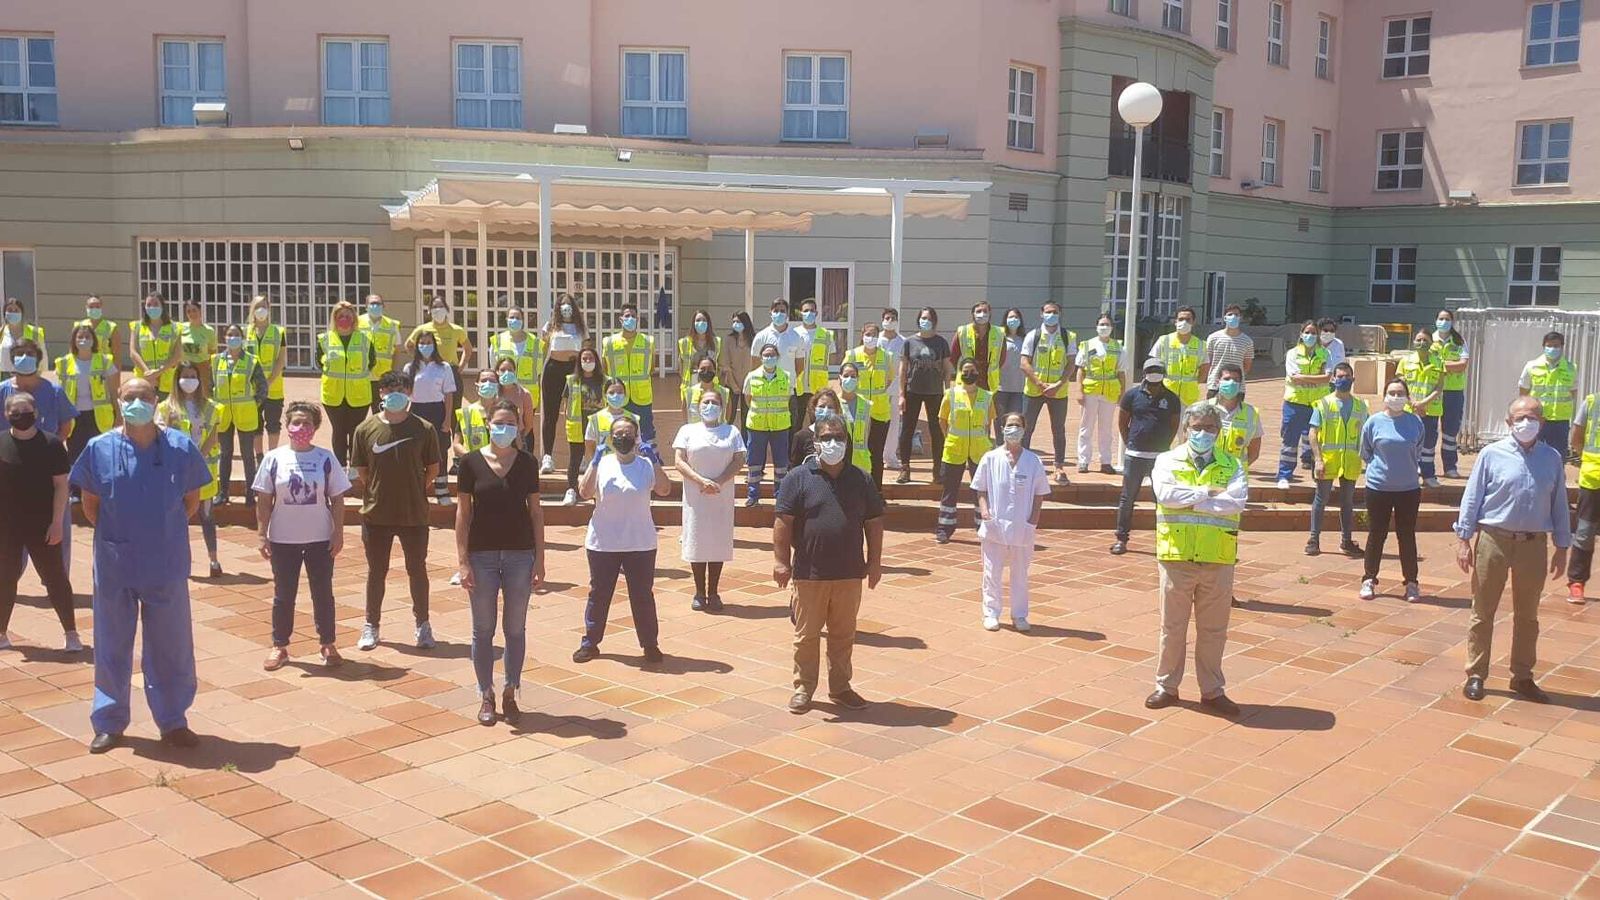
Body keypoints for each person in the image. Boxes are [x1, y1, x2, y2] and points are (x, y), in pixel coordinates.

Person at [72, 377, 211, 754]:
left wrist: (157, 533)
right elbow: (90, 505)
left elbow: (191, 503)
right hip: (116, 562)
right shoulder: (98, 448)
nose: (137, 402)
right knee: (112, 643)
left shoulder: (180, 448)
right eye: (129, 397)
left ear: (157, 401)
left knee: (171, 644)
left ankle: (173, 720)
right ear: (118, 401)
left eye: (144, 396)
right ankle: (110, 721)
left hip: (165, 561)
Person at [1455, 396, 1570, 703]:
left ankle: (1522, 676)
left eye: (1532, 417)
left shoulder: (1552, 458)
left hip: (1534, 545)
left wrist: (1562, 545)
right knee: (1483, 610)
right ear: (1508, 423)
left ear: (1542, 422)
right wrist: (1463, 538)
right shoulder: (1491, 455)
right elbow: (1472, 497)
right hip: (1494, 539)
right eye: (1519, 418)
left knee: (1528, 614)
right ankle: (1476, 674)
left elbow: (1559, 504)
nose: (1525, 423)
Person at [775, 413, 884, 714]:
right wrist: (781, 562)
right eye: (826, 438)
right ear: (816, 442)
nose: (833, 443)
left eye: (839, 438)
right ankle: (803, 688)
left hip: (849, 573)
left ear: (847, 442)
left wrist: (875, 562)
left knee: (843, 634)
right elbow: (783, 522)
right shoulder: (797, 478)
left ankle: (840, 687)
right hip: (810, 573)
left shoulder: (861, 479)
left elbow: (874, 523)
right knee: (806, 635)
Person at [1144, 402, 1247, 717]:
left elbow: (1236, 502)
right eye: (1197, 427)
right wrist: (1209, 493)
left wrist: (1191, 496)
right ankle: (1166, 686)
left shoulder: (1233, 464)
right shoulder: (1166, 460)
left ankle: (1212, 690)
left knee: (1214, 629)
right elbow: (1166, 496)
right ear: (1185, 429)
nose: (1203, 433)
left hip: (1218, 557)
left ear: (1218, 432)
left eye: (1210, 428)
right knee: (1172, 626)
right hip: (1177, 555)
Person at [456, 400, 544, 725]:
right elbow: (463, 515)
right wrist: (463, 561)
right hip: (482, 556)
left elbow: (536, 512)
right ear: (488, 424)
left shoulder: (527, 463)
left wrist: (540, 559)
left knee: (515, 629)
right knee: (482, 629)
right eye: (498, 422)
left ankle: (511, 690)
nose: (504, 428)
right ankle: (485, 694)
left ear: (519, 427)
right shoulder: (470, 463)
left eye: (510, 422)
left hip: (520, 555)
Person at [254, 401, 350, 671]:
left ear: (316, 427)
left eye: (307, 422)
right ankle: (279, 646)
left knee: (323, 593)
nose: (301, 427)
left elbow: (338, 499)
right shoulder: (274, 459)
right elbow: (263, 499)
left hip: (320, 537)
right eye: (296, 422)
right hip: (283, 539)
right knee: (284, 594)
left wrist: (338, 532)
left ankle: (328, 643)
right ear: (286, 426)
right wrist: (262, 534)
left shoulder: (325, 458)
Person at [351, 370, 442, 652]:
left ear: (409, 393)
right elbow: (362, 471)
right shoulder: (365, 430)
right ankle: (371, 625)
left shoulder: (424, 428)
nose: (395, 394)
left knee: (417, 569)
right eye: (389, 389)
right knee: (377, 571)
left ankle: (423, 625)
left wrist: (413, 488)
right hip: (377, 513)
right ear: (380, 394)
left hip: (413, 513)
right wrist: (381, 490)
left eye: (400, 388)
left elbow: (432, 470)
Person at [572, 416, 671, 664]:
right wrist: (593, 462)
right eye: (618, 433)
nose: (623, 437)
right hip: (604, 542)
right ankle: (590, 642)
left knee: (642, 595)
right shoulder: (603, 463)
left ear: (636, 437)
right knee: (600, 593)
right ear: (610, 437)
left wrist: (656, 461)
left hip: (640, 543)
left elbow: (664, 489)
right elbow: (584, 493)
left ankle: (650, 644)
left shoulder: (645, 465)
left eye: (628, 433)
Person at [0, 391, 78, 652]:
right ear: (6, 415)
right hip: (7, 526)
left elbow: (61, 486)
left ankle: (71, 633)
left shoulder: (52, 444)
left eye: (26, 412)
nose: (21, 416)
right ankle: (1, 633)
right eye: (15, 412)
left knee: (55, 577)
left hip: (43, 524)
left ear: (36, 414)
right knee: (5, 578)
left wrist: (57, 523)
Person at [2, 340, 77, 571]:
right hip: (9, 469)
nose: (25, 357)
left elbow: (65, 426)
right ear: (12, 360)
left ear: (38, 358)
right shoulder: (2, 390)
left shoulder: (53, 391)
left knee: (57, 525)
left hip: (47, 470)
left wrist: (47, 449)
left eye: (30, 353)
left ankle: (57, 579)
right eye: (20, 354)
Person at [974, 411, 1049, 632]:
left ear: (1024, 430)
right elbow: (981, 488)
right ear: (1002, 428)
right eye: (1009, 425)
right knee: (992, 571)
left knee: (1020, 573)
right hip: (995, 525)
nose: (1013, 429)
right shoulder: (991, 458)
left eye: (1017, 425)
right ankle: (991, 612)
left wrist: (1033, 519)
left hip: (1022, 526)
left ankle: (1019, 615)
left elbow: (1039, 493)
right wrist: (985, 511)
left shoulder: (1033, 461)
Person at [673, 387, 746, 612]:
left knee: (717, 542)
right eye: (705, 402)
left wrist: (720, 481)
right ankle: (698, 591)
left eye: (714, 402)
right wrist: (700, 481)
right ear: (697, 405)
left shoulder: (731, 431)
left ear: (723, 407)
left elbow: (739, 459)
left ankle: (713, 592)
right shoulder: (687, 430)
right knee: (697, 540)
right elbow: (679, 460)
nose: (709, 406)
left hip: (721, 496)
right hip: (697, 496)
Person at [1358, 378, 1425, 602]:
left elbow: (1418, 450)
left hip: (1408, 488)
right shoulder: (1374, 422)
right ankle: (1369, 579)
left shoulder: (1415, 422)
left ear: (1407, 397)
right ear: (1385, 395)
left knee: (1406, 535)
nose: (1396, 397)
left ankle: (1412, 582)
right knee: (1377, 533)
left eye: (1400, 393)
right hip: (1379, 487)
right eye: (1392, 393)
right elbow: (1366, 451)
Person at [158, 363, 224, 578]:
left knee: (207, 515)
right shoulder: (166, 408)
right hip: (176, 470)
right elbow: (161, 437)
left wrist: (198, 459)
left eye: (193, 376)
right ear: (177, 380)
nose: (189, 380)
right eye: (185, 376)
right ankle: (177, 560)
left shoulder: (211, 407)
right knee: (178, 517)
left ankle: (213, 560)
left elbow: (213, 437)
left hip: (204, 469)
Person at [1111, 360, 1181, 555]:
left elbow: (1174, 425)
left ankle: (1165, 541)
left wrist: (1164, 446)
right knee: (1127, 498)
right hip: (1135, 455)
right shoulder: (1132, 395)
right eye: (1151, 371)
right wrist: (1130, 442)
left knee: (1162, 499)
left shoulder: (1172, 399)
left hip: (1160, 458)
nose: (1154, 374)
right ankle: (1121, 539)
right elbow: (1123, 421)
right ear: (1144, 373)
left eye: (1158, 371)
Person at [1307, 362, 1367, 558]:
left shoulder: (1360, 405)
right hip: (1328, 460)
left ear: (1353, 379)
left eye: (1347, 376)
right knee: (1321, 499)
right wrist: (1317, 459)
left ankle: (1346, 540)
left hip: (1350, 461)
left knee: (1348, 502)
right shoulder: (1323, 403)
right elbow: (1313, 433)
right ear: (1333, 379)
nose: (1343, 380)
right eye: (1339, 376)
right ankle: (1314, 539)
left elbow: (1367, 434)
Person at [936, 359, 994, 544]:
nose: (970, 374)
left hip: (979, 450)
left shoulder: (987, 396)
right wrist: (950, 438)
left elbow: (988, 423)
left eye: (973, 370)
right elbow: (942, 420)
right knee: (950, 490)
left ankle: (983, 527)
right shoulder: (950, 394)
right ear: (960, 373)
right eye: (966, 370)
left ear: (978, 373)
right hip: (955, 448)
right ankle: (945, 529)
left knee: (980, 490)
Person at [1021, 300, 1077, 484]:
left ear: (1060, 314)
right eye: (1047, 312)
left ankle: (1059, 468)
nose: (1051, 315)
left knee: (1058, 430)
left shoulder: (1068, 336)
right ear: (1041, 313)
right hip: (1034, 391)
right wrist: (1039, 383)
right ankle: (1023, 465)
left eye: (1054, 312)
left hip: (1058, 392)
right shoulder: (1033, 335)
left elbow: (1070, 364)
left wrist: (1058, 385)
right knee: (1026, 429)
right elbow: (1024, 363)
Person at [213, 324, 267, 508]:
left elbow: (262, 387)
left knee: (247, 455)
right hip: (223, 415)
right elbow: (209, 386)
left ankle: (250, 494)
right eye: (229, 335)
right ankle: (223, 492)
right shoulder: (216, 360)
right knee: (225, 453)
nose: (232, 338)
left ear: (242, 338)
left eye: (236, 335)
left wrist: (254, 404)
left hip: (245, 414)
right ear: (224, 337)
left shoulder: (252, 360)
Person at [318, 300, 375, 470]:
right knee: (339, 431)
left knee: (356, 432)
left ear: (354, 319)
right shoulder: (325, 339)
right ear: (334, 318)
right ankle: (340, 466)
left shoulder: (365, 338)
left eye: (347, 316)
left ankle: (355, 467)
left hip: (358, 395)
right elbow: (319, 362)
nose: (344, 319)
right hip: (333, 395)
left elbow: (371, 362)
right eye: (340, 316)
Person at [897, 307, 952, 484]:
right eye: (922, 318)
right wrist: (901, 394)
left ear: (934, 321)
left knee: (937, 432)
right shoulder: (909, 342)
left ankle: (938, 470)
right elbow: (903, 369)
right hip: (912, 391)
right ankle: (905, 469)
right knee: (907, 430)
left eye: (928, 318)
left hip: (935, 392)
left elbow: (946, 369)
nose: (925, 321)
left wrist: (948, 393)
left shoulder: (941, 343)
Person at [56, 324, 120, 475]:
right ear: (74, 340)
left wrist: (118, 415)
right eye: (80, 337)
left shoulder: (104, 361)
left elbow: (113, 391)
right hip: (74, 417)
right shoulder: (64, 363)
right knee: (75, 453)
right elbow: (60, 393)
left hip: (99, 416)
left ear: (94, 340)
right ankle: (76, 490)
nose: (83, 340)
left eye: (87, 337)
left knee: (101, 452)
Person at [403, 333, 457, 505]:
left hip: (437, 410)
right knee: (416, 451)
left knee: (440, 451)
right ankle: (419, 490)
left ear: (434, 345)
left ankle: (442, 490)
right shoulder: (409, 368)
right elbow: (405, 395)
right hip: (417, 411)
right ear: (417, 346)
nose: (425, 346)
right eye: (422, 343)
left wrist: (447, 419)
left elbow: (449, 395)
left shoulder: (444, 367)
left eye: (428, 343)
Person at [1275, 320, 1330, 489]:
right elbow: (1294, 377)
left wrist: (1307, 379)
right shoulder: (1293, 353)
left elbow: (1328, 377)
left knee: (1318, 440)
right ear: (1301, 334)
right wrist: (1316, 379)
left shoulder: (1324, 353)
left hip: (1317, 404)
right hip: (1295, 402)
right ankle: (1284, 475)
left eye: (1313, 333)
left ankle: (1318, 475)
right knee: (1289, 440)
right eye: (1307, 332)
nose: (1310, 336)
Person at [540, 293, 588, 472]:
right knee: (550, 414)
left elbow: (586, 348)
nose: (566, 308)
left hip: (574, 370)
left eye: (569, 304)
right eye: (563, 305)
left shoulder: (580, 327)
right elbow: (543, 345)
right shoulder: (551, 326)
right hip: (553, 369)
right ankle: (547, 457)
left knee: (576, 415)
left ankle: (581, 457)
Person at [841, 323, 893, 485]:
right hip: (858, 411)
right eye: (868, 334)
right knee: (854, 450)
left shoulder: (886, 356)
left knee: (876, 453)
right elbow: (845, 377)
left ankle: (876, 491)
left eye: (874, 335)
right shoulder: (852, 355)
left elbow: (889, 379)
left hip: (879, 411)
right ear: (862, 335)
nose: (871, 337)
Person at [744, 344, 794, 507]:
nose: (769, 358)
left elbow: (787, 398)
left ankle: (780, 496)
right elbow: (748, 399)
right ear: (761, 357)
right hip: (757, 425)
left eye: (772, 355)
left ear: (778, 357)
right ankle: (753, 495)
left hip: (780, 426)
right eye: (766, 355)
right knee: (754, 462)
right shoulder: (752, 377)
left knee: (781, 464)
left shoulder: (786, 376)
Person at [1076, 313, 1123, 476]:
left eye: (1107, 324)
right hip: (1091, 390)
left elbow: (1121, 372)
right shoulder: (1087, 345)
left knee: (1106, 429)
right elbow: (1080, 370)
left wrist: (1122, 393)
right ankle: (1083, 461)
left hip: (1109, 391)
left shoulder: (1118, 347)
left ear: (1111, 327)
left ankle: (1106, 461)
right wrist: (1079, 391)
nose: (1104, 327)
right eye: (1101, 324)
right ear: (1096, 327)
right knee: (1086, 427)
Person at [602, 303, 657, 443]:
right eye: (627, 316)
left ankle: (648, 459)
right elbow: (604, 369)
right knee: (620, 431)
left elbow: (652, 368)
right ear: (620, 319)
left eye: (633, 316)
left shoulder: (648, 341)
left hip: (642, 397)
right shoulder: (609, 342)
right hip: (618, 396)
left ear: (637, 319)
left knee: (646, 432)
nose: (630, 319)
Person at [750, 299, 806, 435]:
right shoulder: (761, 336)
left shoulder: (796, 337)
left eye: (782, 311)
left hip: (788, 393)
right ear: (770, 313)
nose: (779, 314)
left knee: (790, 432)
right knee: (765, 434)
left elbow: (799, 366)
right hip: (765, 394)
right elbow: (755, 366)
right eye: (776, 311)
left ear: (787, 314)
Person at [1398, 330, 1444, 488]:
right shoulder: (1405, 361)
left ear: (1431, 343)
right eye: (1418, 340)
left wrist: (1423, 404)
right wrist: (1414, 404)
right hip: (1409, 410)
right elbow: (1401, 386)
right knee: (1408, 443)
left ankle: (1428, 475)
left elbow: (1439, 388)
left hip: (1430, 410)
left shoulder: (1438, 362)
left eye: (1425, 340)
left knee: (1429, 444)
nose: (1421, 343)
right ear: (1413, 342)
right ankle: (1408, 474)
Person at [560, 347, 606, 505]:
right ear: (579, 362)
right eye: (584, 359)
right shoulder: (572, 380)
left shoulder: (605, 380)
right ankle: (571, 489)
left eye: (591, 359)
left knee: (598, 458)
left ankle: (598, 489)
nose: (587, 362)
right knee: (575, 459)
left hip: (598, 425)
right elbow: (566, 405)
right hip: (577, 425)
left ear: (597, 361)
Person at [1519, 331, 1577, 454]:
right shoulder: (1532, 366)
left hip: (1560, 421)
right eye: (1549, 346)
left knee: (1558, 456)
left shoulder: (1571, 368)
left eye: (1556, 346)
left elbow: (1573, 393)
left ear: (1562, 347)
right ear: (1543, 347)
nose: (1552, 349)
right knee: (1532, 453)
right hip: (1536, 418)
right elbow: (1523, 393)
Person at [1567, 391, 1600, 604]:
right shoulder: (1592, 401)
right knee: (1585, 532)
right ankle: (1577, 581)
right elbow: (1576, 438)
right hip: (1593, 479)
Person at [244, 295, 288, 457]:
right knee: (256, 423)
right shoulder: (245, 332)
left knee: (273, 423)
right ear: (252, 310)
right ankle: (260, 457)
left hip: (273, 387)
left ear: (269, 309)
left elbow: (280, 360)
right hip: (252, 388)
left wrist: (268, 382)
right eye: (257, 306)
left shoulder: (279, 332)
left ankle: (272, 455)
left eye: (263, 306)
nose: (260, 310)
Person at [493, 307, 547, 426]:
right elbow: (494, 365)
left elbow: (539, 368)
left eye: (518, 318)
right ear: (506, 319)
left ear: (523, 320)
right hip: (505, 392)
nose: (514, 320)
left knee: (527, 428)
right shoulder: (498, 340)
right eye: (511, 317)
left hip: (528, 395)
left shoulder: (535, 342)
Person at [1434, 309, 1469, 478]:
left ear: (1452, 321)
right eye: (1441, 318)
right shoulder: (1429, 340)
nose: (1444, 322)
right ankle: (1424, 466)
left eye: (1447, 319)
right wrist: (1450, 365)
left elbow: (1462, 365)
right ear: (1436, 320)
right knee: (1428, 430)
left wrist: (1439, 365)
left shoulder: (1459, 340)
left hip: (1453, 392)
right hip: (1432, 391)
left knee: (1450, 431)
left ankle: (1450, 466)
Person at [1208, 364, 1262, 470]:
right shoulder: (1205, 409)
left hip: (1236, 474)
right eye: (1227, 379)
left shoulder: (1251, 413)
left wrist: (1238, 470)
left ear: (1240, 384)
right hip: (1208, 473)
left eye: (1236, 380)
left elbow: (1254, 451)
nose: (1231, 383)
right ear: (1218, 381)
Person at [794, 298, 836, 432]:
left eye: (812, 311)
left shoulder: (826, 334)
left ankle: (817, 450)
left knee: (818, 424)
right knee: (795, 424)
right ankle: (794, 452)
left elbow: (832, 357)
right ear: (801, 313)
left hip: (818, 387)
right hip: (798, 386)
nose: (809, 313)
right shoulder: (794, 334)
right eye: (806, 311)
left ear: (817, 313)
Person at [357, 293, 403, 415]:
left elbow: (397, 350)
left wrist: (393, 373)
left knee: (382, 415)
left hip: (382, 379)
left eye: (378, 303)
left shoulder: (392, 325)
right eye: (372, 303)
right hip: (361, 377)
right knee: (358, 416)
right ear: (366, 306)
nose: (375, 306)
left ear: (383, 306)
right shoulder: (356, 323)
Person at [1150, 306, 1204, 407]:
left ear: (1193, 322)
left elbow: (1204, 368)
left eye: (1188, 320)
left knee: (1186, 422)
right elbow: (1153, 364)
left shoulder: (1200, 344)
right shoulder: (1163, 340)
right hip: (1166, 393)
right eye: (1181, 319)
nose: (1184, 322)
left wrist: (1193, 383)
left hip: (1189, 397)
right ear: (1175, 321)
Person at [130, 293, 181, 398]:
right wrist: (148, 373)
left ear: (162, 306)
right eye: (149, 305)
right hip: (144, 380)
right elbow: (133, 352)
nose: (152, 307)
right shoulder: (137, 327)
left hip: (167, 382)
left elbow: (177, 356)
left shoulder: (175, 328)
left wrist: (158, 372)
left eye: (156, 304)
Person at [1200, 304, 1254, 397]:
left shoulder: (1247, 341)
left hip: (1237, 387)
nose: (1233, 317)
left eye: (1236, 315)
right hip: (1215, 385)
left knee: (1236, 411)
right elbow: (1208, 362)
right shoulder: (1213, 338)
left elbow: (1247, 366)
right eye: (1230, 314)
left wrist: (1234, 378)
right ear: (1225, 318)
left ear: (1240, 318)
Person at [879, 309, 909, 471]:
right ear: (882, 320)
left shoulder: (904, 342)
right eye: (887, 318)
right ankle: (875, 454)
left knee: (894, 424)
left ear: (897, 321)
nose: (889, 321)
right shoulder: (875, 340)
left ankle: (890, 457)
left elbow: (905, 369)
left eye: (893, 318)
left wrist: (904, 392)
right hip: (877, 390)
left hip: (896, 389)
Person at [955, 300, 1005, 393]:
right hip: (967, 381)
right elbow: (954, 358)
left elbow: (1001, 359)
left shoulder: (999, 333)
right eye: (978, 311)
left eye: (985, 311)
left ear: (990, 314)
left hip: (989, 383)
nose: (982, 314)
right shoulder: (962, 331)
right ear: (973, 314)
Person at [994, 309, 1028, 443]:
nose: (1013, 320)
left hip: (1019, 388)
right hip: (1001, 386)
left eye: (1016, 317)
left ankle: (1013, 445)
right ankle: (999, 444)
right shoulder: (999, 338)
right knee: (1000, 419)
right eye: (1010, 317)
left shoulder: (1025, 340)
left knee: (1015, 419)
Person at [678, 309, 722, 413]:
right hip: (691, 385)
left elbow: (719, 366)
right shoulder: (684, 342)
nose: (701, 323)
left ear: (708, 323)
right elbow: (681, 368)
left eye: (704, 320)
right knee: (692, 416)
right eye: (698, 320)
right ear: (693, 323)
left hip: (710, 385)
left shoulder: (716, 342)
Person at [836, 364, 876, 476]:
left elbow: (870, 435)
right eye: (846, 375)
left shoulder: (866, 405)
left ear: (858, 379)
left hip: (861, 463)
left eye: (853, 376)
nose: (849, 379)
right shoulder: (834, 404)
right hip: (839, 461)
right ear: (839, 378)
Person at [721, 311, 756, 437]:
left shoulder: (754, 340)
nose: (736, 324)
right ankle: (726, 441)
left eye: (738, 322)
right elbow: (725, 364)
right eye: (734, 322)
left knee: (747, 417)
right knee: (729, 415)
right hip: (732, 384)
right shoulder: (729, 340)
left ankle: (746, 446)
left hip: (750, 385)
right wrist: (733, 385)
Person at [493, 356, 537, 453]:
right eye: (502, 370)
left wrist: (519, 438)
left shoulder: (524, 394)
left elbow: (528, 424)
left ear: (515, 372)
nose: (506, 373)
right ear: (497, 371)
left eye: (510, 370)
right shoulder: (493, 394)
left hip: (517, 441)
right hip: (495, 439)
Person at [177, 299, 218, 396]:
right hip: (184, 368)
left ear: (200, 311)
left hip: (201, 368)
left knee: (202, 396)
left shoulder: (209, 331)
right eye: (188, 311)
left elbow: (213, 353)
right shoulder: (180, 328)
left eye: (194, 310)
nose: (192, 313)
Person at [0, 298, 45, 379]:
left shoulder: (35, 333)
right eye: (10, 310)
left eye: (16, 310)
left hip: (29, 376)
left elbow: (43, 361)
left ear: (22, 313)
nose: (13, 312)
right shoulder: (1, 333)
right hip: (5, 378)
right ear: (4, 314)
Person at [76, 295, 122, 370]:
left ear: (101, 308)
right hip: (84, 368)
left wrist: (116, 376)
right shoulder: (79, 326)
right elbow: (73, 351)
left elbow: (117, 356)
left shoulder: (111, 327)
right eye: (91, 307)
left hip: (104, 370)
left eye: (97, 307)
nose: (94, 309)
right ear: (86, 308)